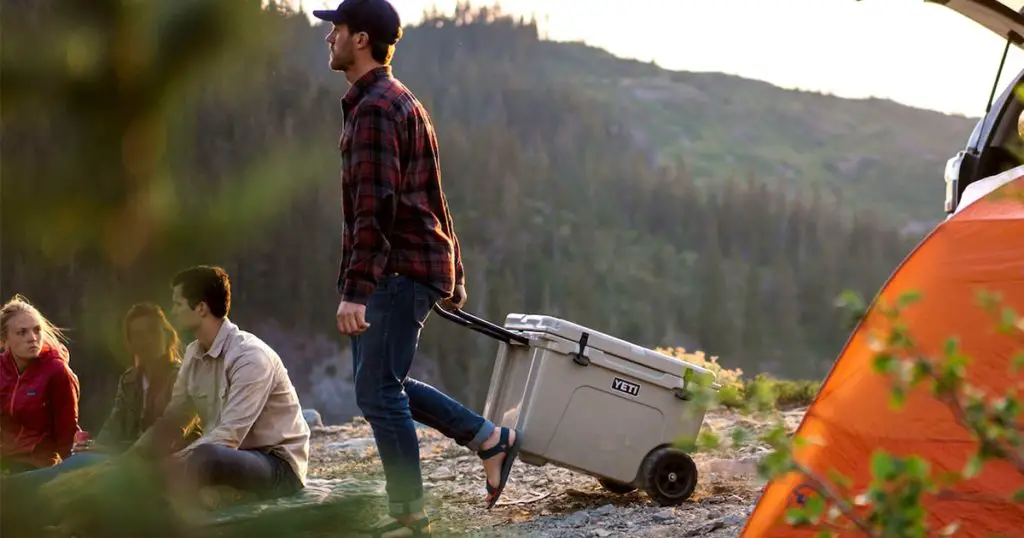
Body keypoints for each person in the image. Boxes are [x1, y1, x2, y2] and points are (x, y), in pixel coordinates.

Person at [314, 1, 522, 534]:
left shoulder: (378, 108)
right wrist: (453, 271)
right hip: (407, 266)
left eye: (336, 29)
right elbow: (432, 195)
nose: (329, 37)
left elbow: (377, 205)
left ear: (360, 39)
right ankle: (489, 439)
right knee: (383, 384)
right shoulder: (395, 100)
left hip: (396, 270)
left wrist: (356, 290)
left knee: (379, 390)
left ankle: (410, 514)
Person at [123, 266, 310, 506]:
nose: (173, 311)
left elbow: (228, 437)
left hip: (276, 466)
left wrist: (163, 468)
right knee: (168, 461)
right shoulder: (192, 354)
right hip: (229, 458)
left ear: (201, 308)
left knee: (205, 457)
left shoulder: (249, 357)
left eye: (178, 304)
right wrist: (132, 458)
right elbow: (174, 420)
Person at [4, 303, 201, 488]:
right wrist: (97, 447)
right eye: (138, 335)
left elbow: (170, 428)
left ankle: (12, 488)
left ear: (167, 336)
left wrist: (123, 454)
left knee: (79, 470)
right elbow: (114, 424)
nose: (147, 340)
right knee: (82, 462)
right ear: (130, 342)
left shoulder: (183, 376)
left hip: (169, 460)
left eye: (153, 332)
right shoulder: (130, 380)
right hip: (127, 457)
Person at [0, 295, 80, 475]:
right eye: (22, 332)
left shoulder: (57, 372)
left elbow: (67, 433)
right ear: (4, 340)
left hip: (36, 465)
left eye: (37, 330)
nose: (32, 338)